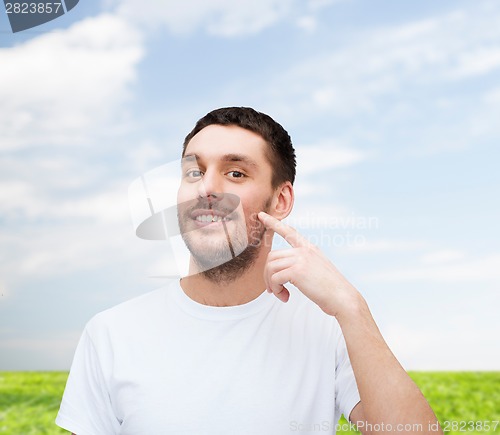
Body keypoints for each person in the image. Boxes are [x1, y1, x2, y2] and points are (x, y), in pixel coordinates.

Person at [56, 107, 442, 434]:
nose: (207, 188)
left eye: (235, 173)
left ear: (280, 199)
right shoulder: (110, 334)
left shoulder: (330, 330)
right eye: (193, 172)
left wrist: (351, 307)